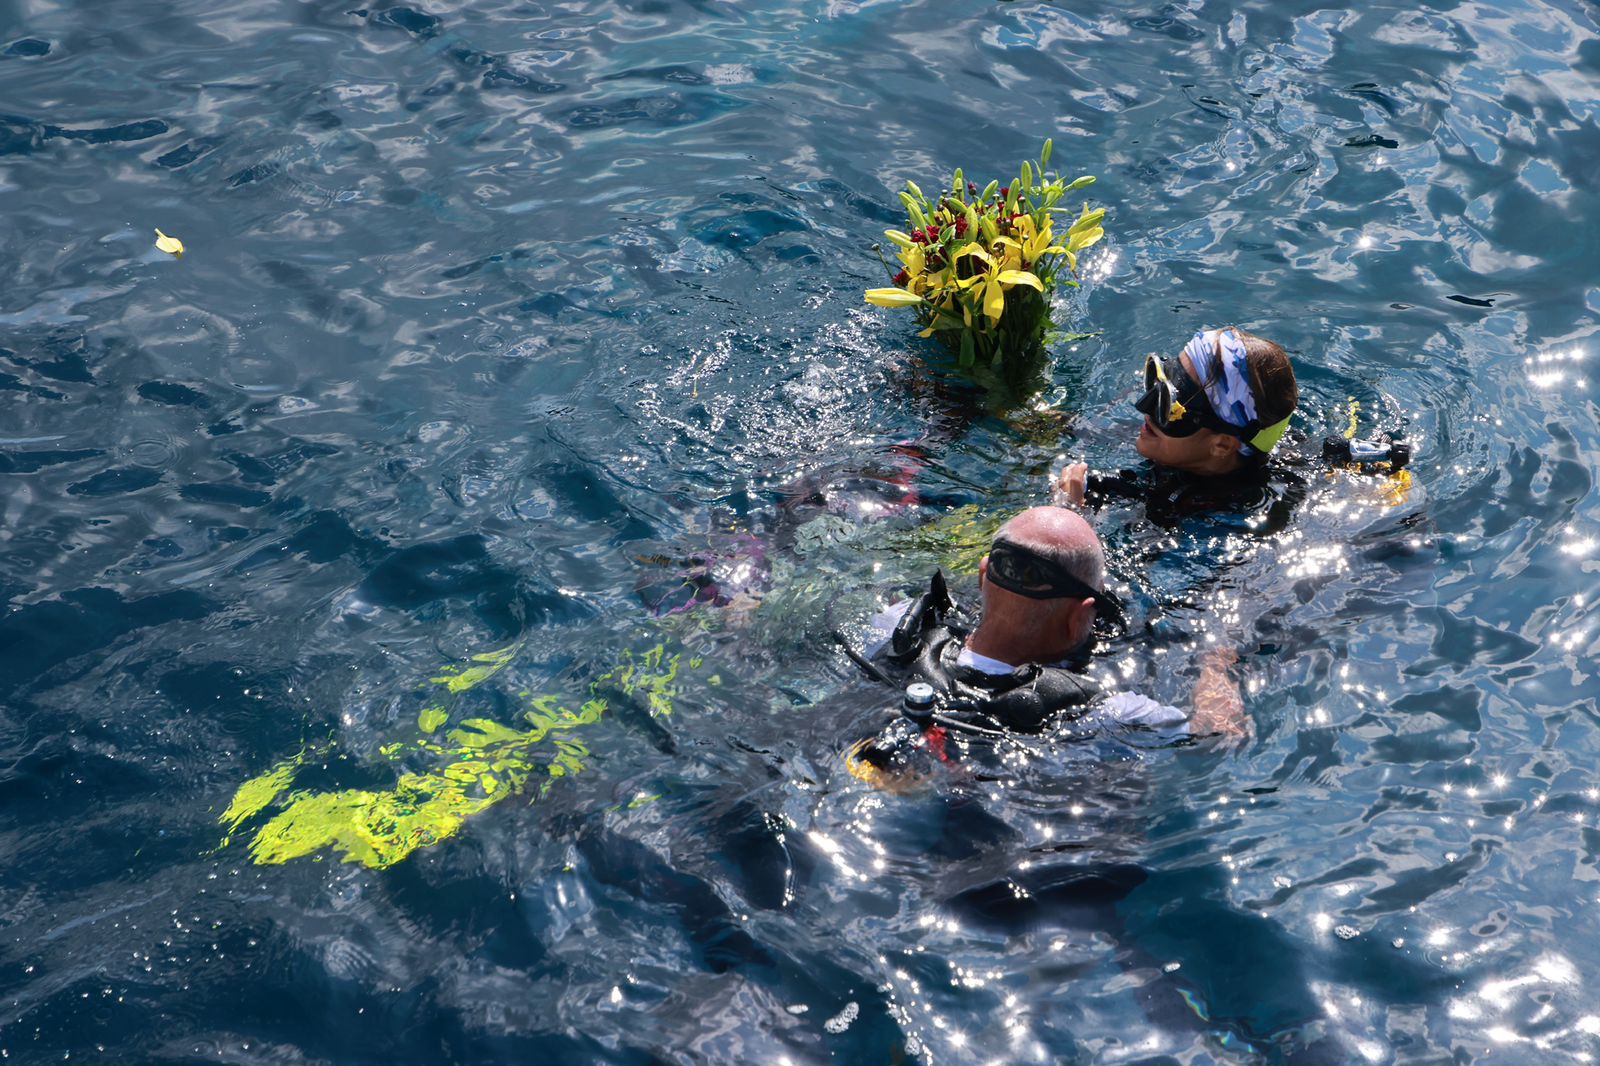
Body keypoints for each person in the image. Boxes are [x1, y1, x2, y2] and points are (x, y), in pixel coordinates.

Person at [852, 505, 1251, 745]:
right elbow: (1214, 735)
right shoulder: (1107, 713)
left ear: (981, 576)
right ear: (1082, 615)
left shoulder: (897, 627)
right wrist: (1217, 664)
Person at [1055, 326, 1300, 515]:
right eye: (1157, 382)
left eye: (1169, 407)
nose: (1145, 408)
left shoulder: (1231, 521)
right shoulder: (1182, 447)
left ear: (1222, 445)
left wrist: (1070, 516)